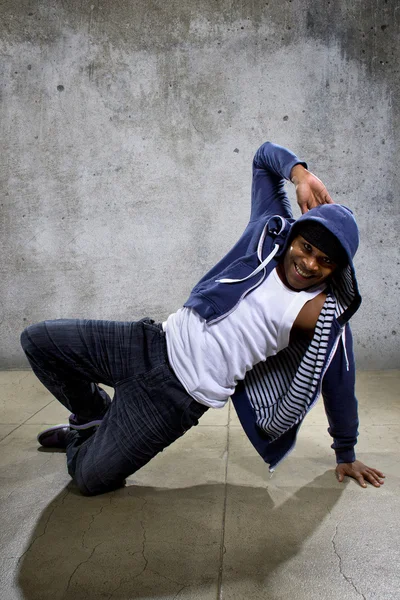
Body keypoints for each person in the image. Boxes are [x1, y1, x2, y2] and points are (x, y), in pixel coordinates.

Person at [20, 141, 384, 496]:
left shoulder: (320, 312)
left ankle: (88, 435)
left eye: (325, 261)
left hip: (175, 400)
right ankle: (91, 415)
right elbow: (263, 159)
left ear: (337, 270)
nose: (309, 264)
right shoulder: (267, 233)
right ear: (295, 237)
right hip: (148, 343)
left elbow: (338, 378)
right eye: (306, 248)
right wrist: (300, 174)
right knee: (38, 342)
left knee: (87, 479)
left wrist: (346, 451)